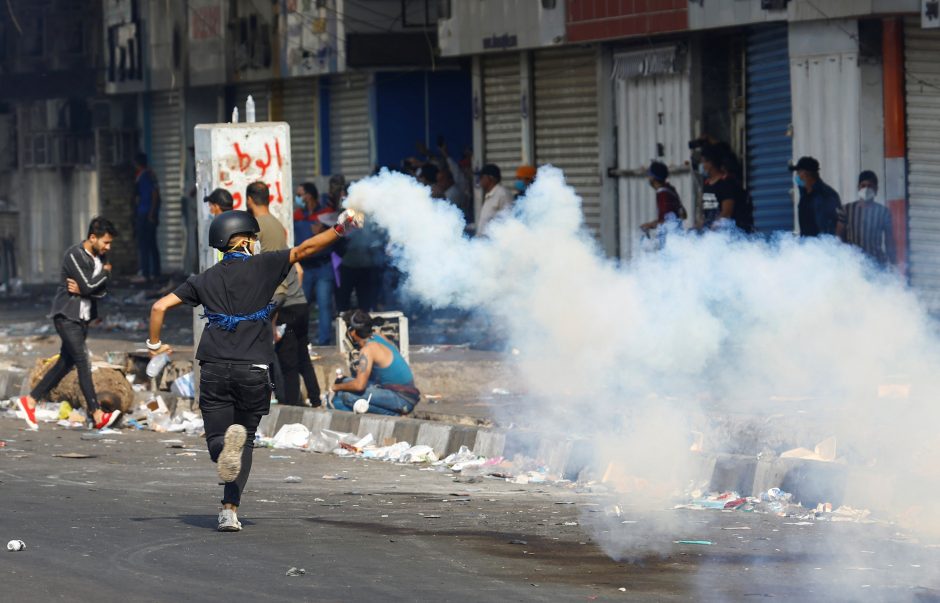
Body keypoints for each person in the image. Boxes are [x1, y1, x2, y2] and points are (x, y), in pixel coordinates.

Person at [146, 207, 362, 532]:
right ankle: (229, 511)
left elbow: (158, 306)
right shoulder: (265, 265)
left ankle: (222, 449)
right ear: (246, 240)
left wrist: (154, 344)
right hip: (255, 368)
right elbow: (307, 249)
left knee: (219, 441)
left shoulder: (204, 278)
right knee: (244, 441)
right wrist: (341, 228)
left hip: (215, 368)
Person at [16, 218, 122, 431]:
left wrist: (89, 287)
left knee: (65, 362)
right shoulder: (74, 254)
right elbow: (90, 284)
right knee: (83, 360)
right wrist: (103, 275)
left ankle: (30, 400)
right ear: (93, 237)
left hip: (82, 318)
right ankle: (97, 413)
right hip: (66, 316)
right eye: (106, 242)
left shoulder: (101, 257)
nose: (108, 247)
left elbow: (99, 291)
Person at [331, 310, 420, 416]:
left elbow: (359, 386)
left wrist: (335, 388)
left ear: (353, 331)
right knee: (344, 382)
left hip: (402, 398)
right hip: (400, 393)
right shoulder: (378, 336)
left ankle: (394, 415)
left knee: (345, 396)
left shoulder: (368, 350)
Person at [295, 180, 338, 346]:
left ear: (309, 195)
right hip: (305, 266)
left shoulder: (327, 213)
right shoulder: (297, 214)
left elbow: (338, 234)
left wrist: (325, 229)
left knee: (324, 305)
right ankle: (300, 339)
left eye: (300, 194)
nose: (298, 198)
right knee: (300, 305)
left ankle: (324, 340)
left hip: (323, 266)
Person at [839, 170, 895, 266]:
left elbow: (889, 241)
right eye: (863, 185)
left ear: (876, 189)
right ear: (858, 188)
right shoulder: (846, 210)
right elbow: (839, 237)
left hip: (877, 263)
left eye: (870, 186)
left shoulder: (883, 212)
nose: (866, 189)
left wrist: (894, 263)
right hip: (852, 264)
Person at [699, 145, 752, 232]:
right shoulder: (707, 184)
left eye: (703, 162)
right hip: (711, 235)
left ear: (711, 163)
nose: (702, 165)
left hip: (729, 234)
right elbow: (704, 213)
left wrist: (713, 229)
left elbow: (727, 212)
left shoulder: (726, 183)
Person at [791, 156, 842, 237]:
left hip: (821, 246)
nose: (796, 175)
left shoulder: (827, 194)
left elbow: (837, 224)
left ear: (806, 174)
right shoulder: (804, 194)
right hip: (808, 245)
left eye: (798, 172)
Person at [133, 152, 161, 284]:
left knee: (145, 244)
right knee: (150, 244)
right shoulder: (148, 175)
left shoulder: (145, 176)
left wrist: (151, 213)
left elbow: (154, 194)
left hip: (146, 214)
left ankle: (146, 273)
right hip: (146, 213)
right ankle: (154, 273)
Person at [640, 161, 686, 232]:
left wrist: (650, 225)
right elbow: (683, 214)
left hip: (669, 238)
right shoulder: (670, 189)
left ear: (653, 177)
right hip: (677, 236)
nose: (648, 177)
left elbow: (665, 222)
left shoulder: (663, 195)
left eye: (649, 175)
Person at [477, 163, 514, 235]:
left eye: (482, 177)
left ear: (491, 178)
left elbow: (509, 221)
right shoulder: (489, 194)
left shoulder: (503, 194)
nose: (479, 180)